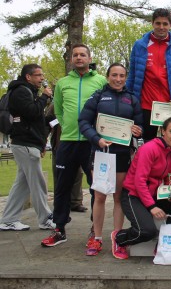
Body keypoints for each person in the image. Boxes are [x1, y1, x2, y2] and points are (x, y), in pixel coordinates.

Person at [41, 44, 107, 247]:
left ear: (89, 57)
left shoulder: (100, 81)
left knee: (96, 188)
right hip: (68, 141)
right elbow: (58, 110)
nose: (79, 58)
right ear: (71, 59)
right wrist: (68, 127)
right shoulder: (62, 83)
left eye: (82, 55)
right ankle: (59, 229)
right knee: (62, 187)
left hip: (92, 142)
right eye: (75, 55)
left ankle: (93, 230)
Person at [78, 63, 144, 256]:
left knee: (118, 198)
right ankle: (96, 238)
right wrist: (96, 139)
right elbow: (83, 122)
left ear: (126, 77)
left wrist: (137, 131)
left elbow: (139, 127)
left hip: (122, 154)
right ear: (107, 77)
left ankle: (118, 239)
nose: (118, 79)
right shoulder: (98, 96)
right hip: (101, 153)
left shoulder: (132, 99)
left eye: (122, 75)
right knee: (99, 196)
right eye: (114, 75)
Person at [111, 117, 171, 259]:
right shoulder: (149, 149)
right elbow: (139, 181)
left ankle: (165, 240)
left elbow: (170, 180)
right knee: (147, 231)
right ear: (163, 132)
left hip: (153, 193)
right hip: (133, 195)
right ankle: (119, 238)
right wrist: (152, 207)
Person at [0, 64, 55, 231]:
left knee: (22, 184)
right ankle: (45, 218)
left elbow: (34, 119)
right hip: (25, 143)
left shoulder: (27, 91)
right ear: (28, 77)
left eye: (42, 75)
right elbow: (32, 112)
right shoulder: (21, 91)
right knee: (37, 183)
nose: (41, 78)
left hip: (27, 142)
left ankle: (9, 219)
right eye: (38, 75)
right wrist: (44, 97)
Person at [126, 8, 171, 142]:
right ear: (152, 23)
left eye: (165, 24)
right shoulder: (140, 45)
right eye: (158, 23)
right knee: (147, 145)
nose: (161, 27)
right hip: (146, 105)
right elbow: (132, 75)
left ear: (170, 25)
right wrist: (128, 100)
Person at [46, 103, 86, 213]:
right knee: (60, 176)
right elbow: (48, 121)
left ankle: (75, 201)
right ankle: (60, 204)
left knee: (78, 174)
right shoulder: (55, 105)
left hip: (79, 143)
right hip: (60, 144)